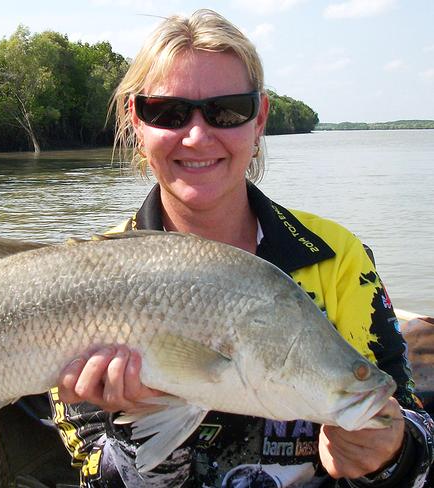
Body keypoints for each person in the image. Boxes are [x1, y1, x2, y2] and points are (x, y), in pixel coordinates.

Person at [48, 9, 434, 487]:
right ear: (137, 123)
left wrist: (388, 455)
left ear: (259, 120)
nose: (197, 135)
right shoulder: (79, 280)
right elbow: (96, 472)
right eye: (167, 112)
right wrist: (134, 427)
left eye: (227, 110)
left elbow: (417, 431)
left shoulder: (337, 259)